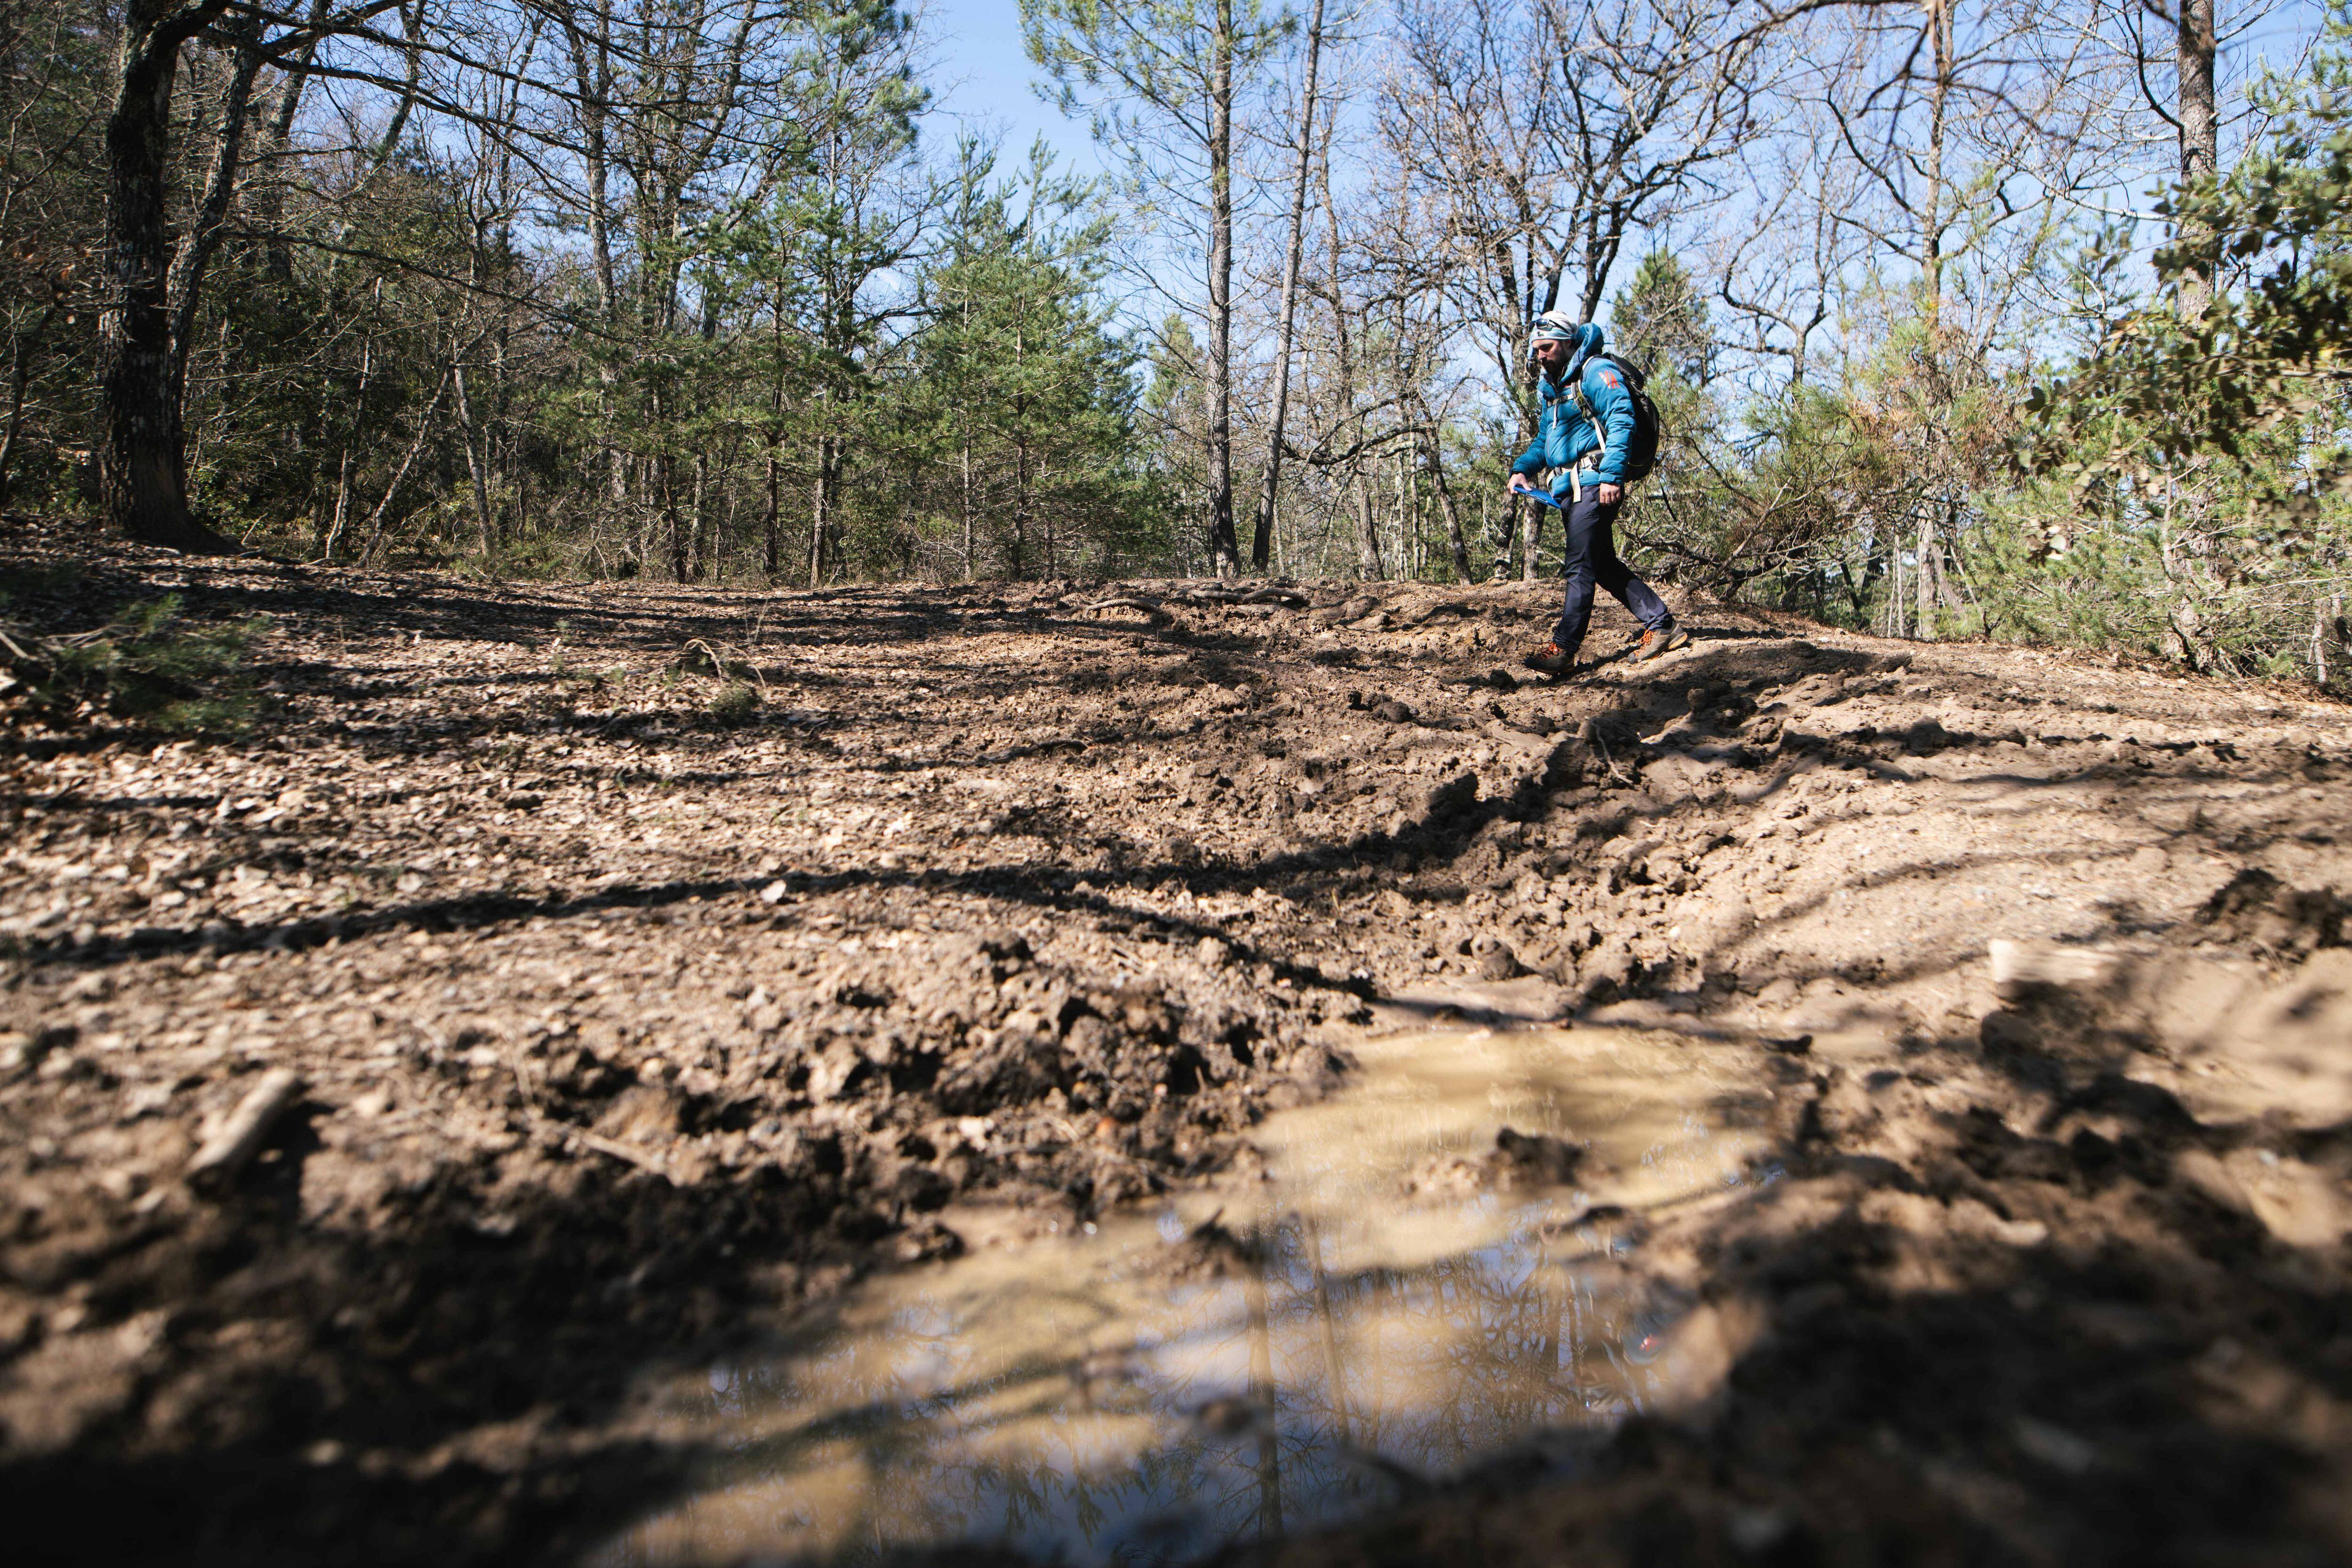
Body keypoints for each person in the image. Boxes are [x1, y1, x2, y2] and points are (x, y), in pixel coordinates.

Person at [1506, 313, 1687, 676]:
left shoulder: (1595, 371)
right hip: (1569, 488)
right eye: (1536, 350)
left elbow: (1622, 419)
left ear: (1568, 342)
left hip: (1594, 481)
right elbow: (1546, 441)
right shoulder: (1553, 390)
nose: (1540, 356)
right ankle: (1662, 624)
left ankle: (1564, 647)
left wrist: (1611, 476)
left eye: (1547, 347)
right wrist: (1522, 468)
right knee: (1600, 563)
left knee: (1578, 564)